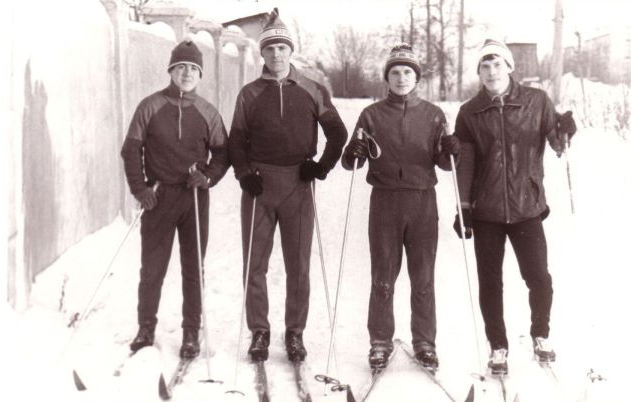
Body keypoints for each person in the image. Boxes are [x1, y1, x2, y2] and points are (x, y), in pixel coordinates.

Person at [228, 10, 348, 364]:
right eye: (270, 49)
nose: (276, 55)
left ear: (290, 50)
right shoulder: (249, 94)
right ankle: (259, 332)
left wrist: (321, 166)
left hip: (298, 183)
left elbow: (338, 133)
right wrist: (243, 173)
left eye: (282, 47)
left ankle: (295, 333)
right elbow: (236, 140)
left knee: (298, 263)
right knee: (256, 263)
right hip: (259, 185)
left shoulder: (312, 88)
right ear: (262, 54)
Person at [452, 39, 577, 374]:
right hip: (487, 211)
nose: (491, 72)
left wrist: (566, 131)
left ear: (509, 67)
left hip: (527, 207)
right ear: (479, 72)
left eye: (497, 65)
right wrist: (463, 207)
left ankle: (541, 334)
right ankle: (498, 345)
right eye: (484, 66)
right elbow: (464, 165)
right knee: (490, 281)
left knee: (539, 277)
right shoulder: (469, 112)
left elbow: (556, 144)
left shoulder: (537, 101)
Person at [341, 43, 460, 373]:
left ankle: (424, 341)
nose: (402, 77)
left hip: (422, 202)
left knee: (422, 277)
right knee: (383, 275)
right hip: (386, 202)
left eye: (408, 72)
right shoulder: (372, 114)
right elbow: (352, 162)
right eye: (395, 72)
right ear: (387, 78)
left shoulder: (434, 114)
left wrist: (453, 148)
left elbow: (446, 163)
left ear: (417, 77)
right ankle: (380, 341)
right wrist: (354, 150)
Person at [120, 39, 229, 359]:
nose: (187, 73)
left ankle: (191, 332)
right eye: (181, 67)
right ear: (171, 70)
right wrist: (140, 189)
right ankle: (145, 327)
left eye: (193, 68)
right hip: (158, 197)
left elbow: (224, 153)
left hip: (194, 197)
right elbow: (130, 150)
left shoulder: (208, 112)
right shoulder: (150, 106)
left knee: (194, 267)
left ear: (200, 74)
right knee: (152, 268)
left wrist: (207, 175)